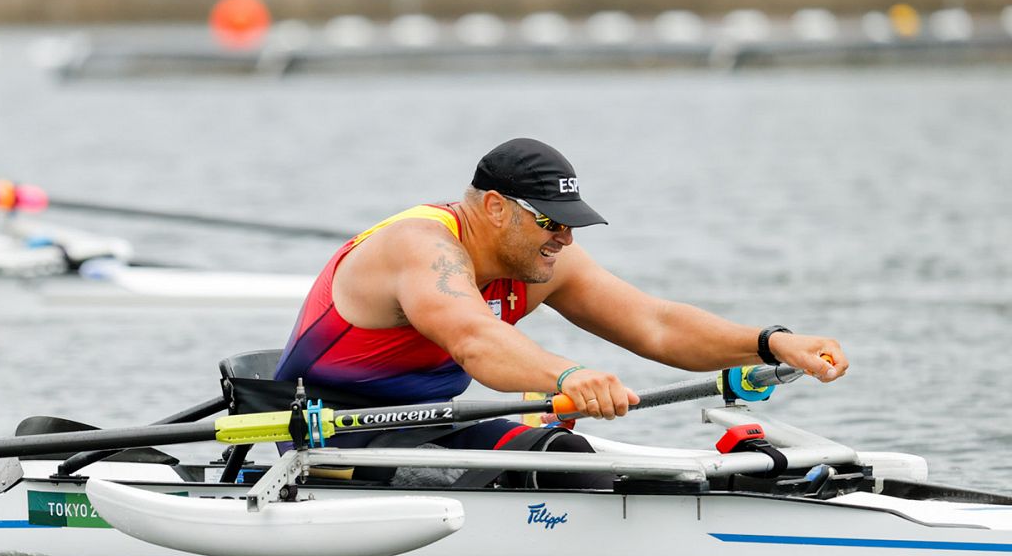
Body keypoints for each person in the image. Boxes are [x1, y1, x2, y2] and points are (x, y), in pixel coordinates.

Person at [273, 137, 848, 486]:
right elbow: (474, 339)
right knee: (560, 463)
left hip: (430, 424)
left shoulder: (543, 263)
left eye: (571, 221)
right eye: (551, 220)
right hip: (334, 436)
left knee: (564, 454)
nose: (566, 238)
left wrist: (772, 343)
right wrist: (567, 376)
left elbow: (655, 324)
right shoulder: (422, 248)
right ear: (496, 209)